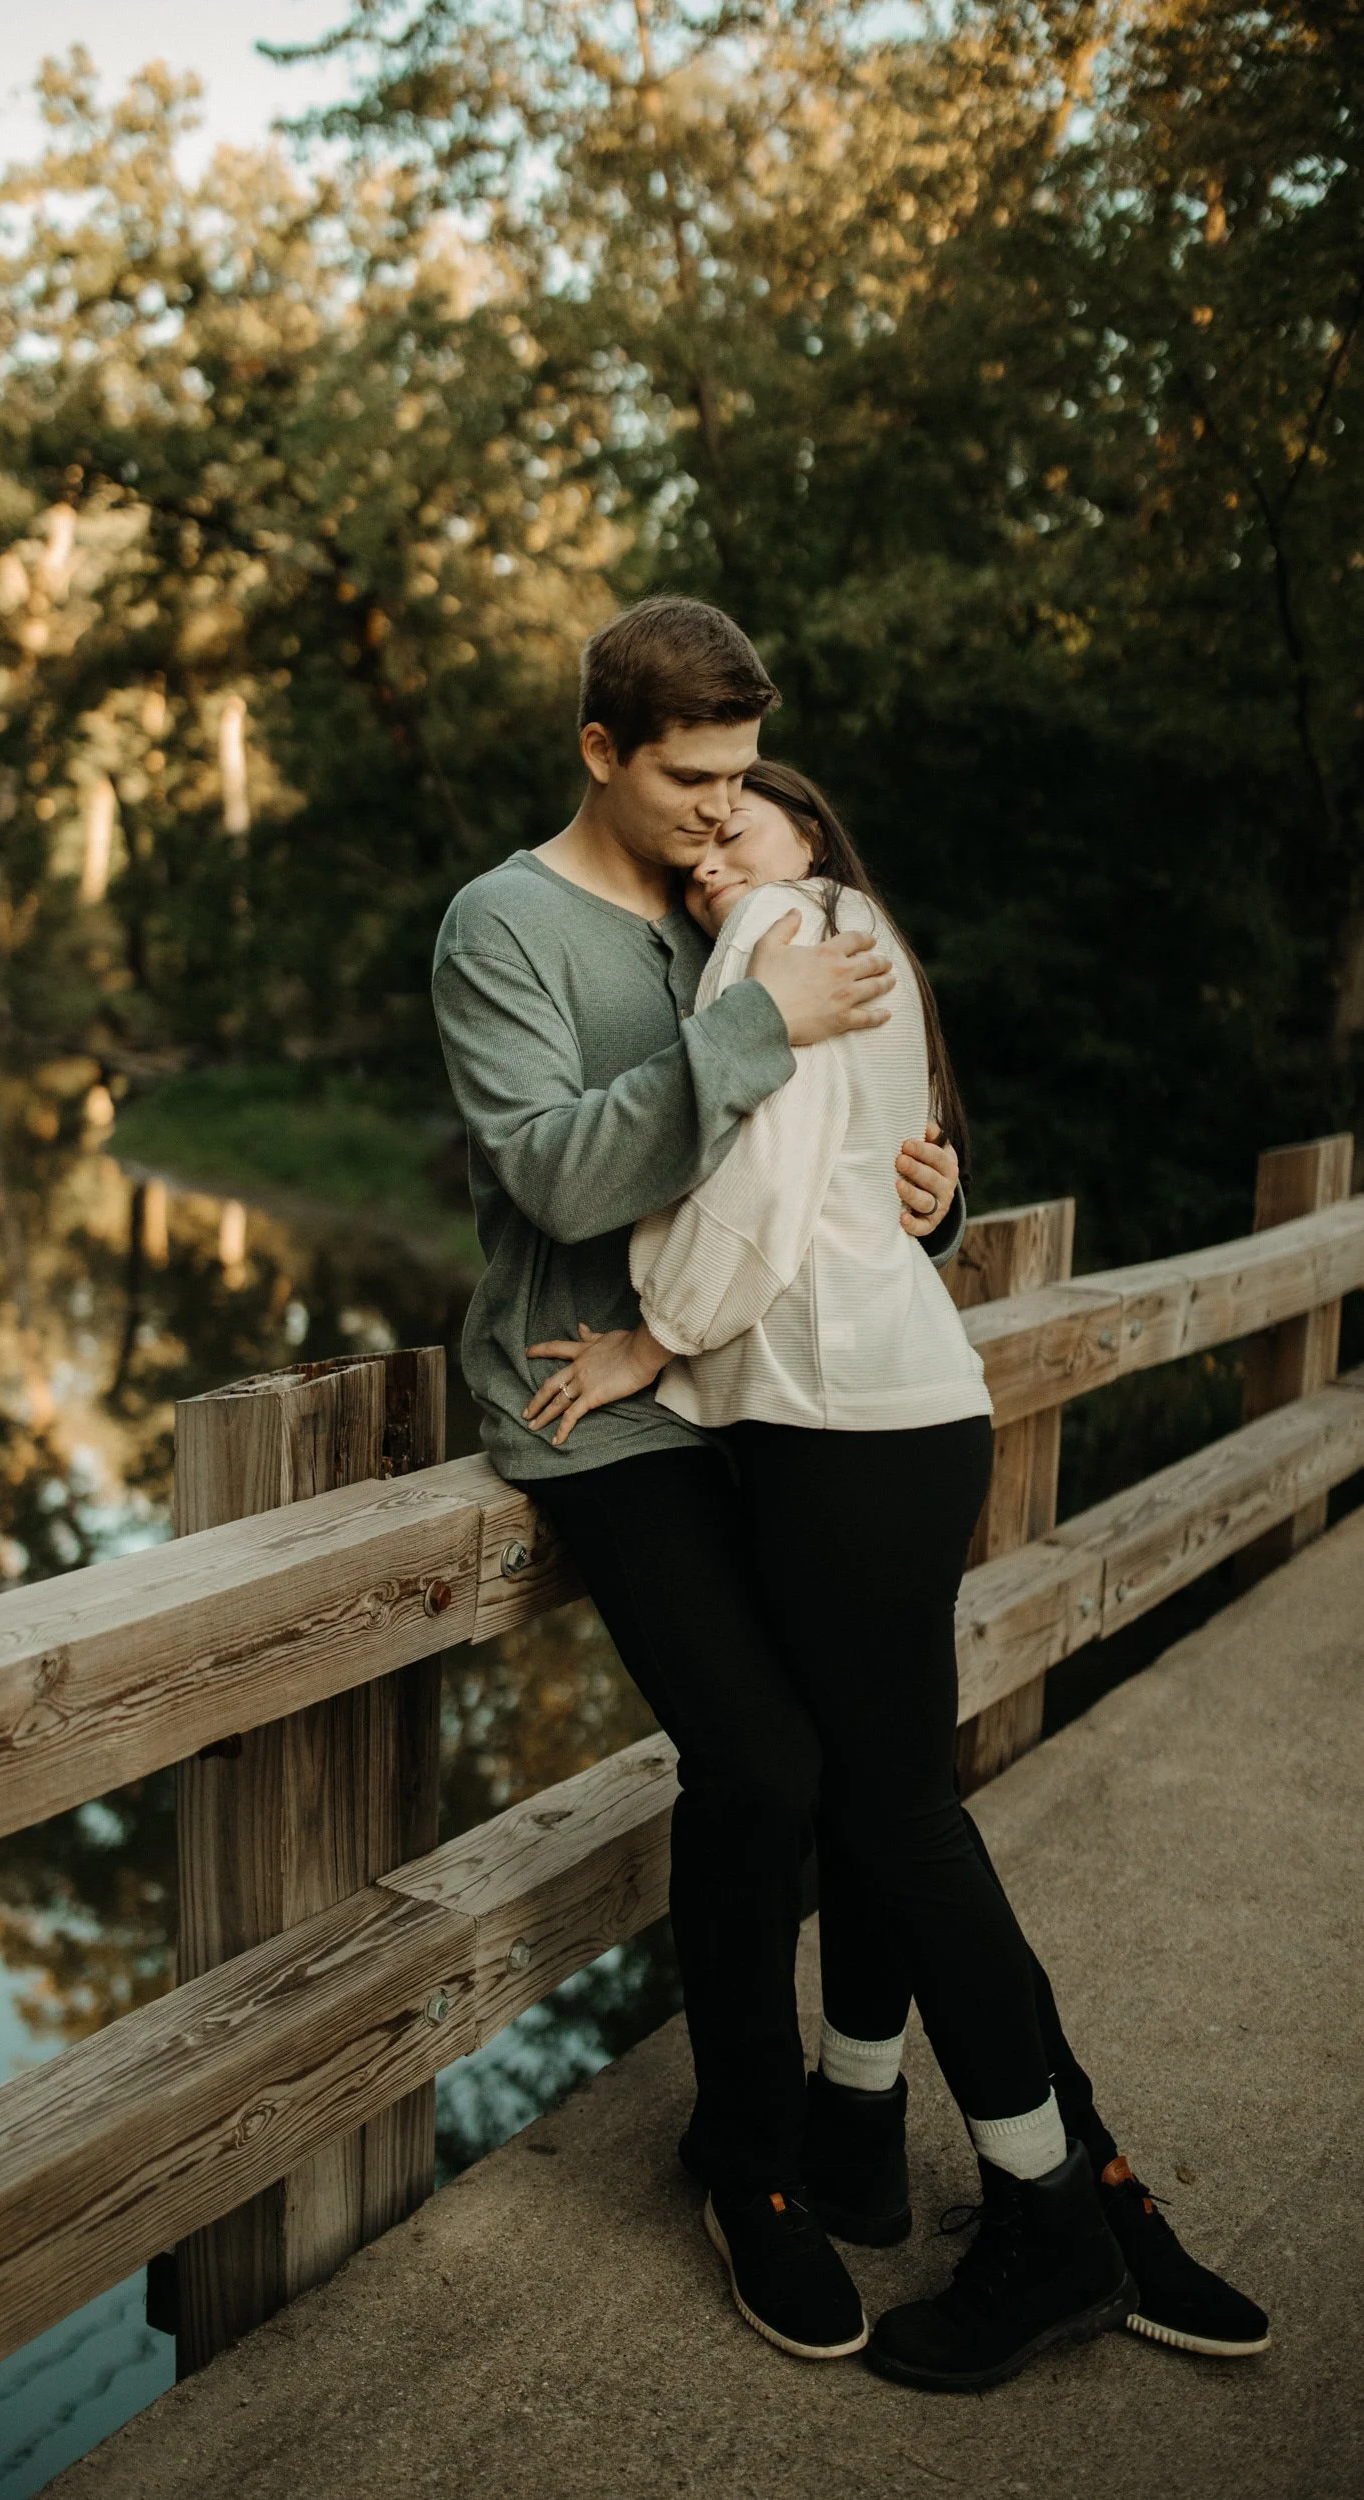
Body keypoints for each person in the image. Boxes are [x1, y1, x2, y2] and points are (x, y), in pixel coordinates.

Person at [431, 595, 1266, 2383]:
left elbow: (835, 1142)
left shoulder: (745, 898)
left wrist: (931, 1200)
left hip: (791, 1405)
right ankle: (766, 2167)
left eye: (740, 781)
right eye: (690, 780)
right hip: (616, 1409)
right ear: (599, 749)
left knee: (887, 1786)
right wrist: (764, 1025)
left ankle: (968, 2155)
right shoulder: (504, 924)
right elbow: (557, 1178)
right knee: (784, 1766)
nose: (717, 812)